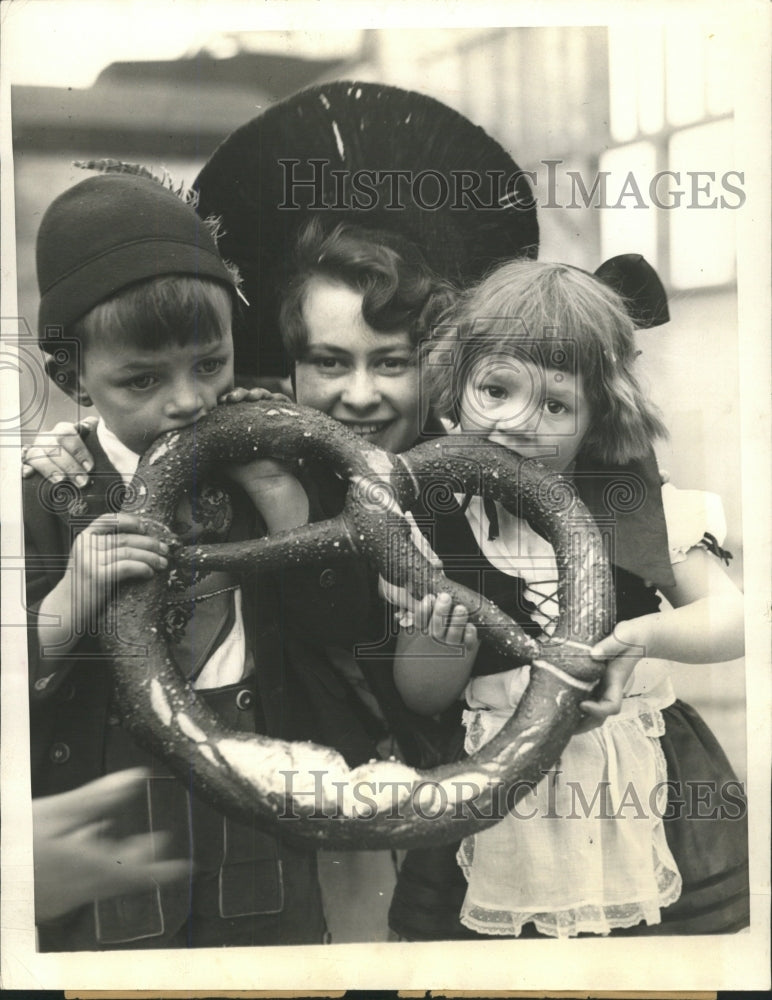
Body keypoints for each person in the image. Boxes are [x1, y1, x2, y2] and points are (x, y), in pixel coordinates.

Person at [392, 258, 749, 938]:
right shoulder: (433, 522)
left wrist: (646, 637)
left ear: (597, 422)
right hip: (495, 789)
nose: (520, 423)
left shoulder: (639, 507)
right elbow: (421, 695)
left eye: (556, 405)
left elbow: (738, 621)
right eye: (496, 391)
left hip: (644, 784)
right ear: (454, 391)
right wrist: (441, 642)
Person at [25, 168, 327, 950]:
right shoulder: (44, 495)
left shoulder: (268, 467)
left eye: (209, 363)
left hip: (258, 781)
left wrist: (279, 494)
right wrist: (69, 599)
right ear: (72, 381)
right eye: (142, 381)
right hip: (114, 809)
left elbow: (331, 627)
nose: (186, 401)